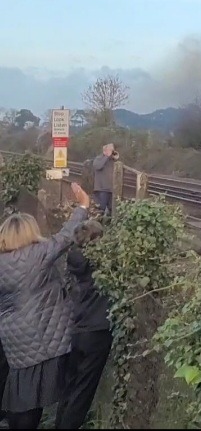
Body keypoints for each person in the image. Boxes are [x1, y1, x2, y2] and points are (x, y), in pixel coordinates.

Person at [0, 182, 90, 429]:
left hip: (14, 344)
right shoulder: (38, 254)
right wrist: (83, 205)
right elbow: (66, 236)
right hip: (45, 341)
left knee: (22, 400)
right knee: (44, 399)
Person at [55, 220, 112, 430]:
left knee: (70, 388)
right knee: (83, 392)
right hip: (97, 332)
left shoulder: (74, 260)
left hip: (77, 330)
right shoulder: (101, 263)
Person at [90, 145, 118, 216]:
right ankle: (98, 224)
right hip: (102, 189)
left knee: (112, 209)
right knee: (101, 209)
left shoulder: (112, 160)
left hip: (111, 189)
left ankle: (108, 224)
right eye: (110, 150)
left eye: (112, 150)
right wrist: (106, 157)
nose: (112, 152)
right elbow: (97, 166)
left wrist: (113, 157)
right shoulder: (98, 158)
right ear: (104, 151)